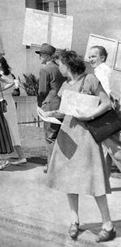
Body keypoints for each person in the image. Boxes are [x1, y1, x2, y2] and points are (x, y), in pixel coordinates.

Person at [46, 50, 116, 243]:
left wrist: (90, 116)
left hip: (86, 135)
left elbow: (106, 103)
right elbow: (65, 110)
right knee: (69, 179)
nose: (58, 67)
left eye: (60, 63)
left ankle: (108, 225)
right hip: (68, 134)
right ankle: (74, 220)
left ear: (68, 64)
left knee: (94, 180)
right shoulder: (65, 85)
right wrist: (52, 113)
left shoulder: (90, 80)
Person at [89, 46, 121, 175]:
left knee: (114, 149)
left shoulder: (101, 71)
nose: (90, 59)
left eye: (94, 56)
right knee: (106, 148)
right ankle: (104, 180)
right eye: (90, 56)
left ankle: (103, 180)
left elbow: (106, 93)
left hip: (106, 115)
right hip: (112, 113)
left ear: (102, 57)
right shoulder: (107, 70)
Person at [36, 43, 66, 173]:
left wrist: (40, 104)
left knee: (50, 136)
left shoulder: (45, 69)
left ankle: (52, 165)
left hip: (49, 103)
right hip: (61, 102)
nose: (40, 57)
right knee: (59, 135)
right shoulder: (60, 68)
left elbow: (42, 90)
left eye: (41, 54)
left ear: (47, 56)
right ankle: (61, 164)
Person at [0, 55, 26, 165]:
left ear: (0, 64)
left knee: (11, 128)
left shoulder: (4, 75)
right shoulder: (5, 74)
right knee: (1, 128)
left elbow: (11, 87)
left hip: (5, 103)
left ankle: (21, 156)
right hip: (4, 102)